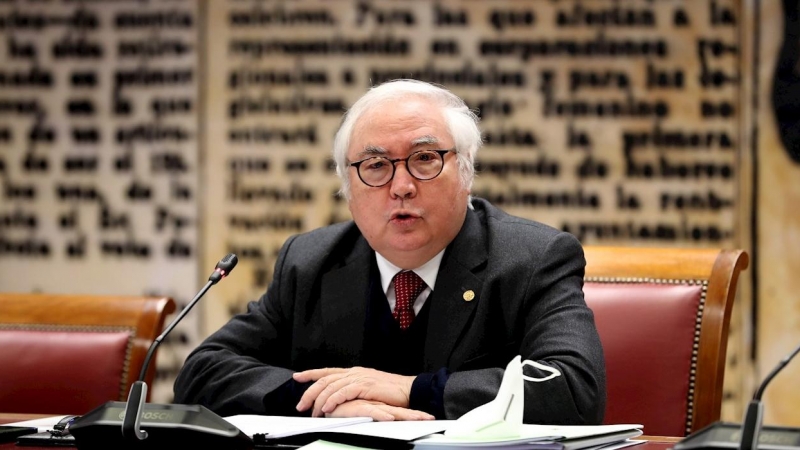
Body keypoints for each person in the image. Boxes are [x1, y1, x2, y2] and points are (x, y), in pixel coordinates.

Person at [173, 79, 606, 424]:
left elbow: (573, 388)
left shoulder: (533, 259)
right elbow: (203, 371)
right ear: (348, 189)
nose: (401, 187)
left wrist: (412, 389)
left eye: (424, 159)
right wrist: (325, 401)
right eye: (376, 166)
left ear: (466, 172)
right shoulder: (310, 262)